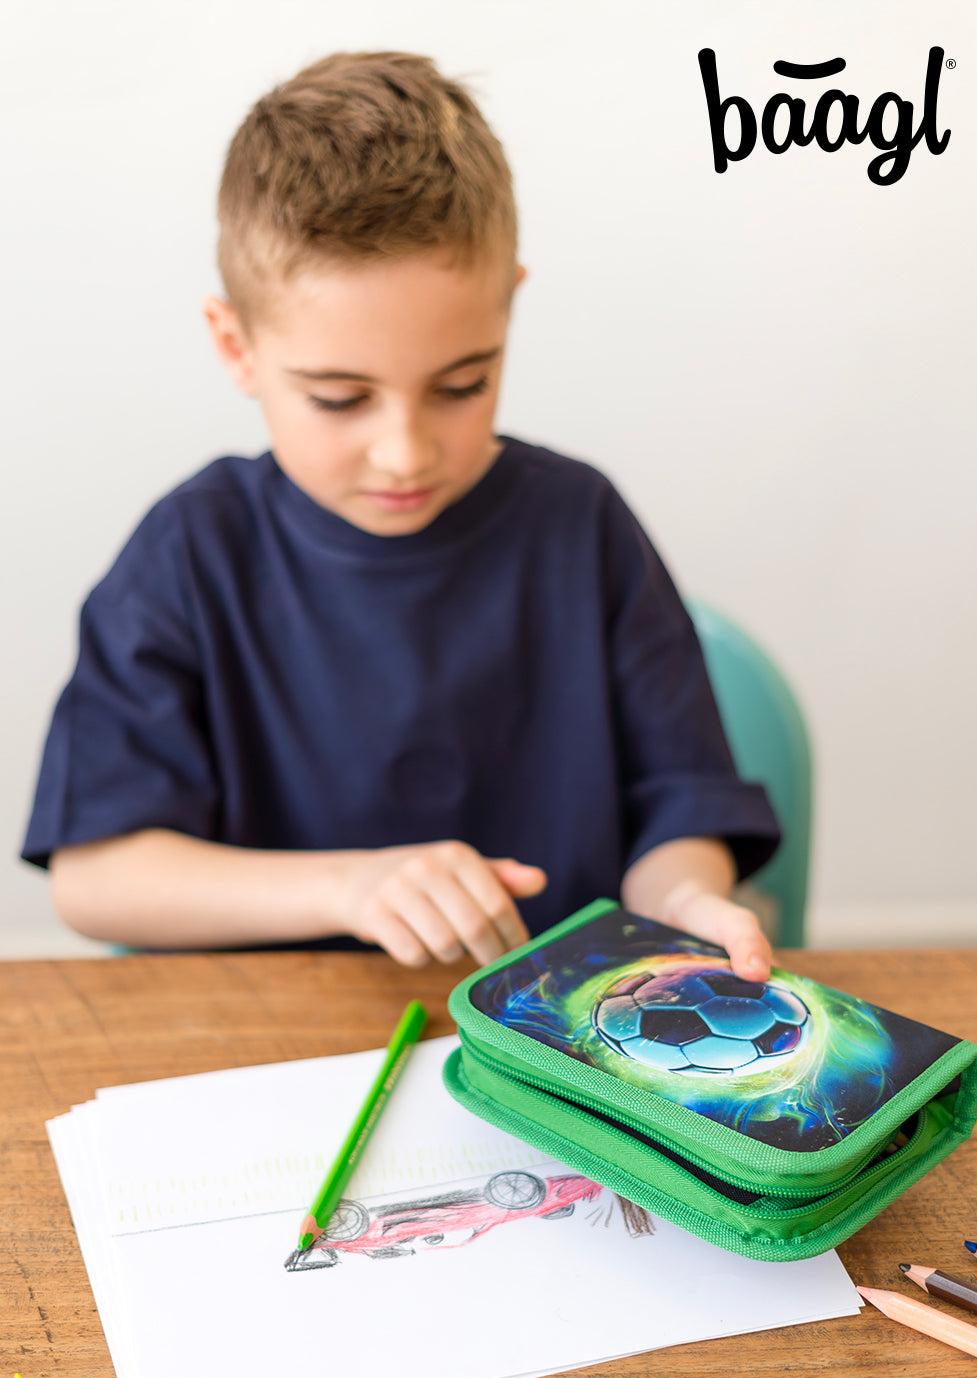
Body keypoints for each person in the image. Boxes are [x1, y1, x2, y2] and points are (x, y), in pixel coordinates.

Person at [21, 51, 780, 979]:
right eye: (340, 398)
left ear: (508, 311)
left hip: (563, 1042)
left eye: (463, 385)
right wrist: (350, 889)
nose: (407, 452)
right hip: (275, 1052)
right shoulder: (190, 553)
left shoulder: (582, 526)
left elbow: (682, 812)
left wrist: (685, 900)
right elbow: (96, 878)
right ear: (237, 346)